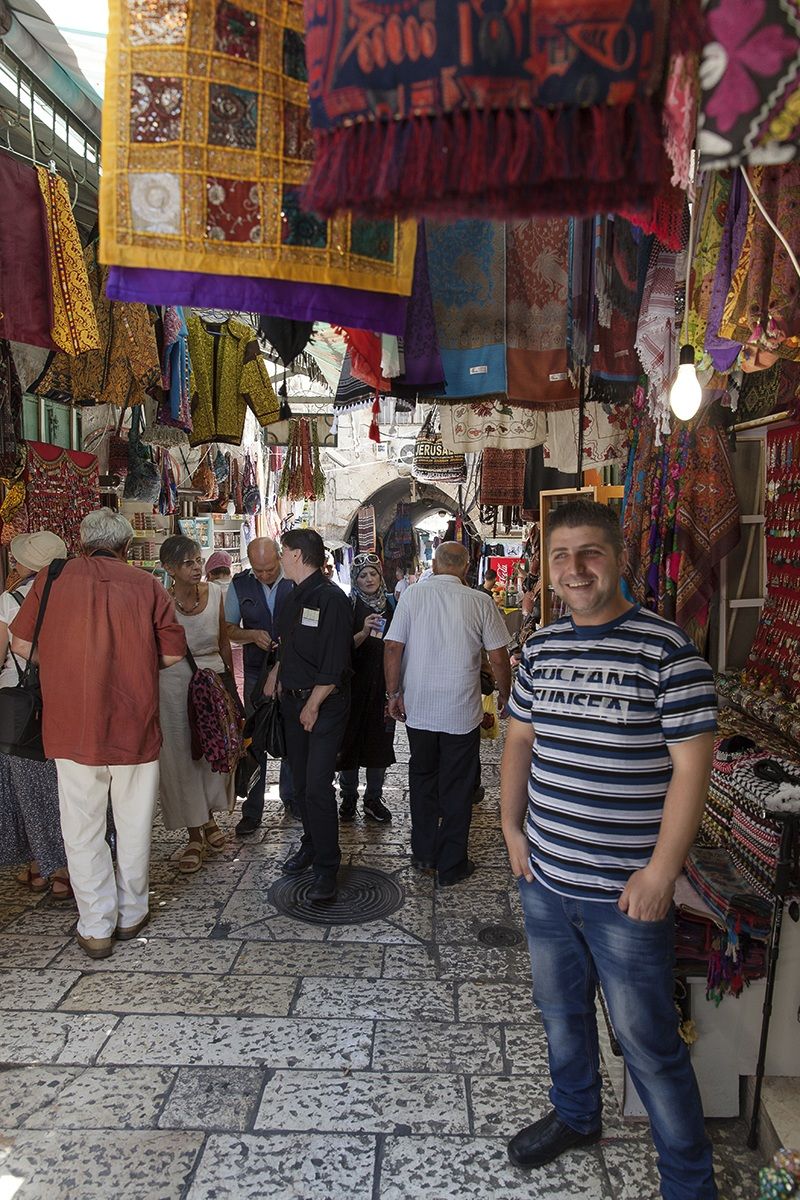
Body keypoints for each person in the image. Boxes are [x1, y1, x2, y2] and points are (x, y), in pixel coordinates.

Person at [500, 499, 718, 1198]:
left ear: (619, 557)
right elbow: (518, 743)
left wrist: (662, 870)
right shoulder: (540, 648)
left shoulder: (668, 651)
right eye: (561, 556)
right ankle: (577, 1114)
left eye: (590, 553)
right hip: (546, 880)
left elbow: (693, 767)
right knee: (560, 1014)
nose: (575, 569)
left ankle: (688, 1181)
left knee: (649, 1044)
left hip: (625, 896)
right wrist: (510, 829)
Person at [11, 508, 186, 960]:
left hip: (72, 725)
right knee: (132, 825)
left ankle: (96, 925)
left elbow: (21, 645)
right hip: (134, 724)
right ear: (126, 547)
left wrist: (68, 663)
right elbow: (170, 655)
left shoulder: (51, 582)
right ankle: (131, 914)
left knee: (82, 826)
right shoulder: (147, 585)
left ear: (82, 544)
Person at [384, 541, 511, 887]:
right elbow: (499, 656)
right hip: (460, 711)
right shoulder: (480, 601)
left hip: (420, 708)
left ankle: (424, 853)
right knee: (457, 786)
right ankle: (452, 864)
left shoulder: (411, 596)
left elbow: (393, 646)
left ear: (436, 566)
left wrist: (393, 693)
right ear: (466, 568)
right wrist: (504, 693)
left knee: (423, 778)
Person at [269, 528, 353, 902]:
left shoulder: (331, 599)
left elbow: (335, 661)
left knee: (318, 786)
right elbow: (290, 646)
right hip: (293, 702)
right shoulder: (292, 595)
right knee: (300, 783)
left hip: (323, 705)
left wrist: (313, 704)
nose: (279, 558)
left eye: (283, 552)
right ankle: (310, 842)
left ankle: (326, 866)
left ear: (298, 555)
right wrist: (276, 674)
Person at [0, 531, 71, 898]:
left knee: (25, 788)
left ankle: (50, 869)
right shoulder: (69, 596)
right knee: (65, 787)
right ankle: (55, 866)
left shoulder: (10, 602)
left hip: (20, 706)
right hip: (65, 701)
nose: (13, 562)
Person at [159, 535, 235, 873]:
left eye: (197, 560)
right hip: (173, 684)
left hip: (212, 681)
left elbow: (223, 641)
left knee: (213, 754)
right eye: (187, 563)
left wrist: (231, 687)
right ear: (169, 569)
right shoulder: (161, 601)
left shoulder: (216, 594)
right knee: (181, 757)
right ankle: (193, 832)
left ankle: (208, 820)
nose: (195, 568)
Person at [224, 537, 295, 834]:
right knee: (255, 739)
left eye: (269, 569)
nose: (264, 575)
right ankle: (252, 810)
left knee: (292, 736)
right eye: (259, 570)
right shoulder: (239, 585)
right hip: (256, 672)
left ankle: (293, 799)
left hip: (293, 671)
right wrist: (252, 635)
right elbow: (228, 629)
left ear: (279, 558)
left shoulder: (294, 580)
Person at [337, 553, 396, 824]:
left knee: (379, 743)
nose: (369, 579)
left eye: (373, 573)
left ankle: (373, 798)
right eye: (363, 575)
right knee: (348, 742)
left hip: (383, 685)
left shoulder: (392, 604)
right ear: (355, 579)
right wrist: (362, 631)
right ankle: (348, 797)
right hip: (354, 686)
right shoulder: (347, 606)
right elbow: (339, 649)